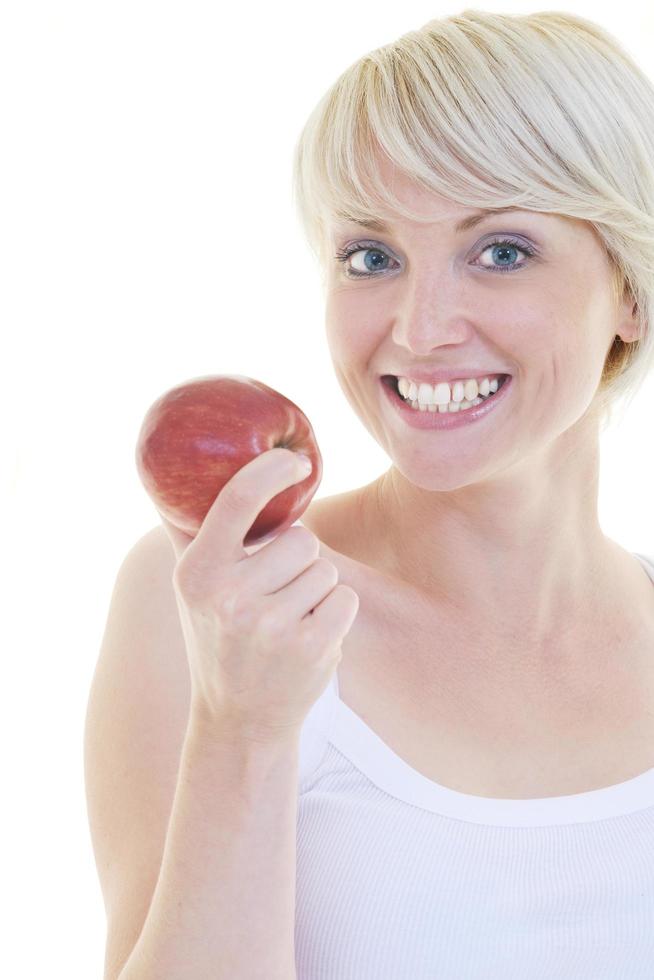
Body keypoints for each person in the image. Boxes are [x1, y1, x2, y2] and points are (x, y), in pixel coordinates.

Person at [85, 10, 654, 979]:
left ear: (632, 290)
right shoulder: (220, 600)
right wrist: (244, 729)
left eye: (502, 249)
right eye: (371, 256)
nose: (420, 326)